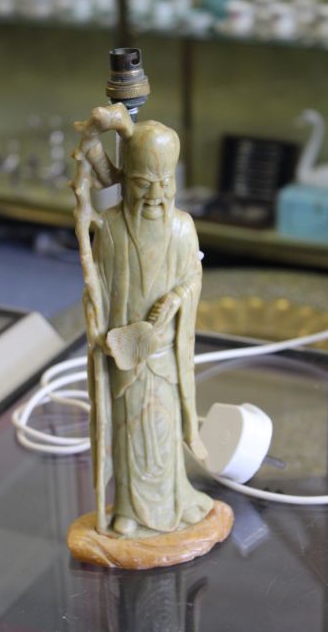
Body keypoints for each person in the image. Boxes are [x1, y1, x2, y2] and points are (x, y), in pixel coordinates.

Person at [75, 105, 213, 537]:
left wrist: (177, 297)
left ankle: (173, 501)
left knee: (163, 430)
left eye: (165, 183)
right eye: (142, 183)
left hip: (164, 353)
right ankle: (129, 511)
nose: (155, 195)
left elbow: (193, 275)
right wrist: (97, 323)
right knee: (129, 432)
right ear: (125, 181)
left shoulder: (182, 228)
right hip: (126, 352)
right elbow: (98, 287)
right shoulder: (111, 229)